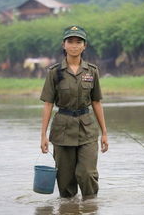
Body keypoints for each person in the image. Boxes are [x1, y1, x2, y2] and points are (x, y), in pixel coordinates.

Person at [40, 25, 108, 199]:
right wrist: (43, 136)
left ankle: (91, 207)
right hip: (62, 129)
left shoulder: (92, 71)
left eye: (79, 42)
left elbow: (96, 102)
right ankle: (69, 209)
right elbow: (48, 104)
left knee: (87, 174)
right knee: (65, 181)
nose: (74, 45)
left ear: (84, 46)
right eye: (70, 41)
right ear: (64, 45)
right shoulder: (54, 72)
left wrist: (105, 134)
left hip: (87, 129)